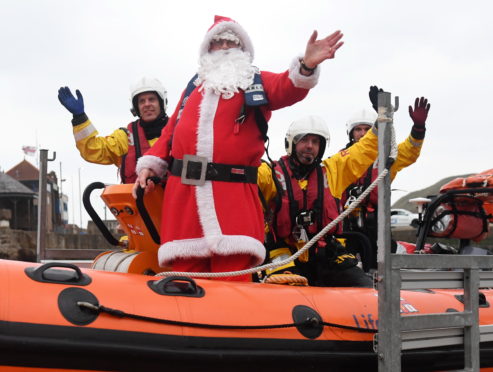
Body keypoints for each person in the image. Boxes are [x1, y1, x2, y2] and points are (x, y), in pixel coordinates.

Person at [133, 15, 344, 281]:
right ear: (207, 49)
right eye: (217, 42)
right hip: (185, 201)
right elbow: (170, 132)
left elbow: (286, 88)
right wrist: (150, 165)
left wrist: (306, 65)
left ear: (243, 49)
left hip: (233, 202)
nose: (223, 48)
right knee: (184, 278)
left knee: (232, 278)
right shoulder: (192, 89)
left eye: (230, 43)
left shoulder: (255, 82)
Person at [257, 115, 379, 287]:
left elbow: (363, 150)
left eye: (315, 142)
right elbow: (246, 173)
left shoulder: (332, 171)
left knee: (363, 286)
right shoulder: (269, 173)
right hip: (284, 251)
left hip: (325, 251)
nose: (309, 146)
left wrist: (381, 124)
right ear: (291, 143)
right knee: (290, 289)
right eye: (304, 140)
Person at [342, 86, 431, 269]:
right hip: (346, 230)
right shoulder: (341, 160)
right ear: (351, 134)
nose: (362, 133)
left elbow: (410, 151)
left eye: (367, 128)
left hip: (377, 230)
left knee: (380, 269)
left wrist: (418, 128)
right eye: (357, 129)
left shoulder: (386, 159)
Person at [58, 77, 169, 183]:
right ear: (136, 107)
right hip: (138, 201)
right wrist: (79, 117)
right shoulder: (125, 138)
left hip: (175, 201)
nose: (147, 104)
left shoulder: (177, 132)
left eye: (152, 99)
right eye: (141, 101)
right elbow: (91, 149)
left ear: (161, 103)